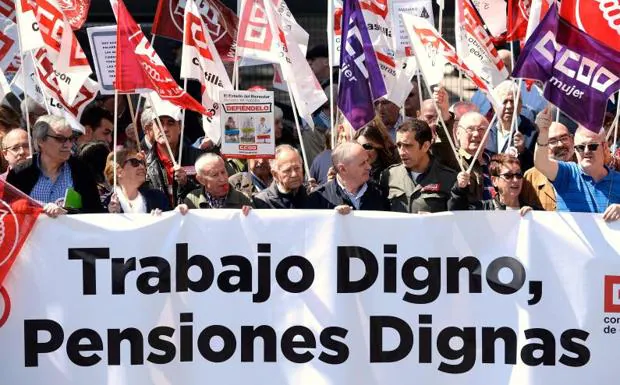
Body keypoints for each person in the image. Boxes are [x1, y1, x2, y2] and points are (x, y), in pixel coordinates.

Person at [7, 115, 103, 216]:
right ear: (40, 141)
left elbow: (95, 212)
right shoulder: (19, 174)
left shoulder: (81, 171)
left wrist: (66, 212)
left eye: (71, 139)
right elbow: (8, 213)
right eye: (60, 139)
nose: (68, 145)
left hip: (70, 231)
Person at [533, 108, 620, 221]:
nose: (586, 151)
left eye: (592, 146)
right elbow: (541, 163)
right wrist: (543, 133)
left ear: (604, 147)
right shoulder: (567, 173)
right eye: (580, 147)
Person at [381, 119, 457, 213]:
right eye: (399, 145)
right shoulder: (389, 175)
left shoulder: (448, 178)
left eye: (408, 146)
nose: (401, 152)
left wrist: (435, 220)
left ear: (425, 146)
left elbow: (456, 219)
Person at [142, 100, 206, 206]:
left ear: (180, 127)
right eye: (159, 123)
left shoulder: (199, 158)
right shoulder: (144, 162)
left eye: (170, 123)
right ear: (151, 127)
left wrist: (187, 184)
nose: (165, 129)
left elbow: (211, 192)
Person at [306, 142, 388, 212]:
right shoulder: (319, 198)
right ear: (343, 169)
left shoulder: (380, 193)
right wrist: (332, 217)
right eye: (362, 163)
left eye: (367, 161)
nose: (369, 167)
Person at [450, 154, 533, 216]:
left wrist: (533, 217)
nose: (515, 180)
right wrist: (459, 189)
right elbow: (457, 213)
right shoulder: (483, 209)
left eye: (518, 175)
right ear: (494, 181)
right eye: (508, 176)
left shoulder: (532, 211)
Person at [485, 80, 538, 172]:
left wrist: (523, 151)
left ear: (521, 105)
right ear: (494, 105)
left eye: (513, 101)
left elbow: (538, 168)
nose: (509, 106)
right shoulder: (486, 131)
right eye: (504, 101)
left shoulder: (533, 132)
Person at [520, 122, 574, 211]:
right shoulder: (531, 178)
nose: (560, 144)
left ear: (572, 140)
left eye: (564, 138)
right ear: (542, 145)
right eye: (553, 141)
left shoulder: (585, 173)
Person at [178, 153, 253, 213]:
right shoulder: (192, 201)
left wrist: (251, 214)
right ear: (201, 180)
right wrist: (179, 213)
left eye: (223, 172)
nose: (222, 179)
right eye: (215, 175)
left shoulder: (242, 199)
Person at [104, 149, 170, 214]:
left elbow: (172, 221)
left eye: (142, 162)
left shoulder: (158, 198)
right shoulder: (105, 203)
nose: (142, 167)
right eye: (135, 162)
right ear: (119, 172)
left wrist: (178, 211)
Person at [454, 112, 496, 204]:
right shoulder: (452, 160)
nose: (476, 134)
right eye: (470, 129)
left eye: (481, 129)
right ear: (457, 133)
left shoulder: (496, 160)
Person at [353, 119, 399, 184]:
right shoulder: (351, 172)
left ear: (379, 147)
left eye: (367, 146)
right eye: (358, 146)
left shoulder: (392, 173)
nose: (362, 151)